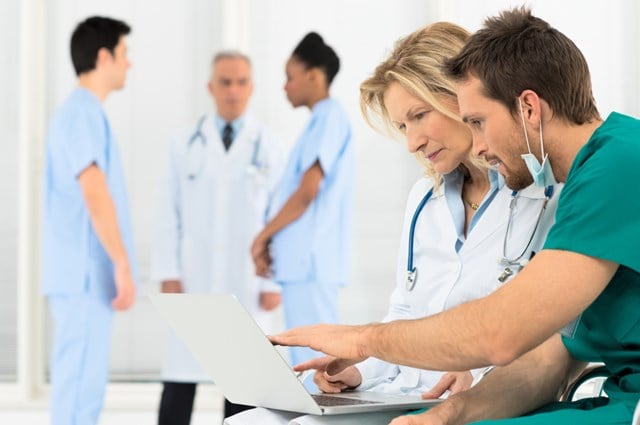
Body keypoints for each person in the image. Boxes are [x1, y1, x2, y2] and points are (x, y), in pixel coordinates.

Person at [270, 7, 640, 425]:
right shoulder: (592, 173)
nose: (478, 146)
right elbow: (553, 353)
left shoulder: (615, 165)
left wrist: (361, 339)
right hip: (611, 396)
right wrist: (448, 416)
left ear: (529, 108)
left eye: (478, 122)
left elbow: (502, 335)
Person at [226, 22, 560, 425]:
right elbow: (403, 311)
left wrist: (485, 376)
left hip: (478, 400)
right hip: (402, 393)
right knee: (248, 421)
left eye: (419, 116)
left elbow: (550, 340)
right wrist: (358, 371)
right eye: (403, 126)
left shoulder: (538, 194)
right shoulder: (424, 199)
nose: (412, 142)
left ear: (462, 95)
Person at [151, 51, 285, 423]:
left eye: (241, 82)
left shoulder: (270, 147)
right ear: (211, 87)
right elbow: (167, 212)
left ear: (252, 88)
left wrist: (273, 279)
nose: (233, 90)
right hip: (194, 277)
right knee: (179, 382)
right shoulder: (184, 144)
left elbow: (279, 220)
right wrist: (168, 271)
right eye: (225, 82)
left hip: (249, 281)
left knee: (242, 384)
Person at [41, 16, 135, 425]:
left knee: (82, 388)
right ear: (103, 56)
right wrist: (122, 263)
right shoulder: (81, 112)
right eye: (124, 54)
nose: (129, 64)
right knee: (78, 394)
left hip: (83, 278)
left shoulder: (84, 113)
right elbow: (94, 191)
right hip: (84, 276)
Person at [250, 32, 355, 366]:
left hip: (311, 262)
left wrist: (263, 235)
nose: (285, 86)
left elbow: (307, 192)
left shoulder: (330, 118)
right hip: (302, 265)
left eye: (289, 77)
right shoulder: (318, 122)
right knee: (305, 359)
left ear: (313, 75)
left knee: (317, 364)